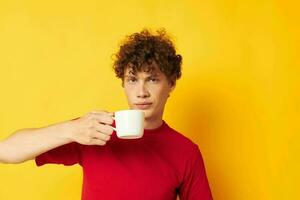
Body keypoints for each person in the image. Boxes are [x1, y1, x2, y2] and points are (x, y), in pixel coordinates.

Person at [0, 29, 213, 200]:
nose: (141, 92)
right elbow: (6, 152)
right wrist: (70, 129)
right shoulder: (93, 129)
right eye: (132, 80)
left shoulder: (186, 152)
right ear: (123, 84)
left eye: (153, 79)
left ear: (171, 84)